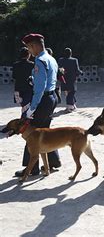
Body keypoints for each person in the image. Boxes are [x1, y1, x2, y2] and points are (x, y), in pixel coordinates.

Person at [15, 34, 61, 177]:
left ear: (34, 46)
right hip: (52, 97)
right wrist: (33, 80)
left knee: (31, 134)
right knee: (46, 131)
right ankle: (54, 162)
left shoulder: (40, 61)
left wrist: (31, 109)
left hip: (42, 101)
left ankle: (32, 168)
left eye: (29, 47)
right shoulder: (51, 58)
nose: (29, 51)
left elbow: (39, 90)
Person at [58, 48, 82, 112]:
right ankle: (70, 106)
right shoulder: (74, 60)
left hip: (64, 79)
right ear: (71, 53)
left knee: (68, 92)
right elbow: (77, 70)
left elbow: (59, 69)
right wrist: (80, 73)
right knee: (71, 92)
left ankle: (73, 104)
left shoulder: (60, 60)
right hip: (72, 79)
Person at [12, 47, 34, 118]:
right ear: (28, 55)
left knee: (23, 105)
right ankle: (24, 120)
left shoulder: (15, 64)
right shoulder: (32, 64)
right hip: (28, 88)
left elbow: (14, 76)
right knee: (26, 106)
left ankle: (24, 119)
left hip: (18, 88)